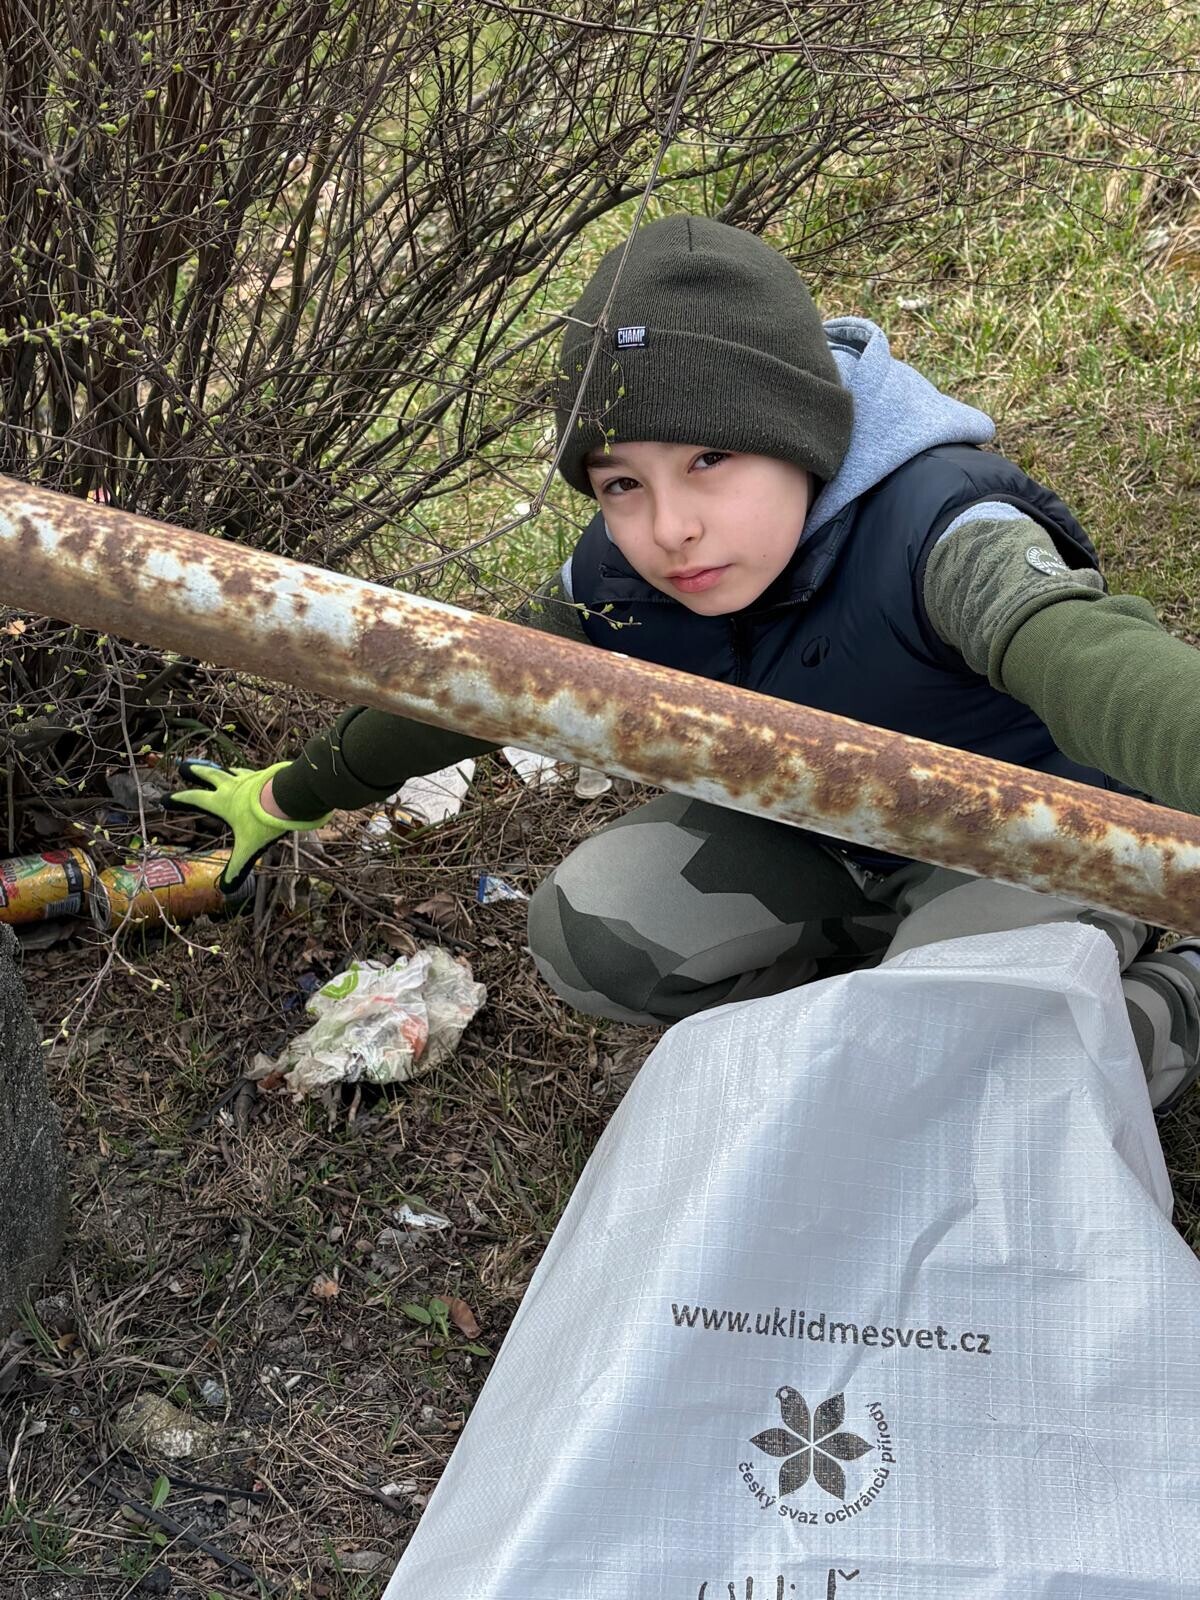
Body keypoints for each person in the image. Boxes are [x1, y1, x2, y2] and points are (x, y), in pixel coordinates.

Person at [173, 214, 1200, 1113]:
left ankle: (1172, 1000)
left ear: (798, 433)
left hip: (1029, 844)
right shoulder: (620, 577)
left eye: (710, 459)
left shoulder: (944, 532)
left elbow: (1103, 666)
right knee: (597, 935)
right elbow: (470, 689)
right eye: (622, 482)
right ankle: (874, 1024)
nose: (670, 529)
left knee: (978, 1086)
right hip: (821, 835)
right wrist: (293, 792)